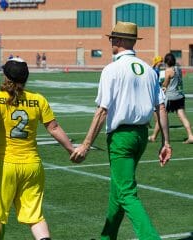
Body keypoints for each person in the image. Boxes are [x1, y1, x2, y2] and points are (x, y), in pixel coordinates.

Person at [70, 21, 172, 240]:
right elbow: (161, 107)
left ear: (119, 40)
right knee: (118, 192)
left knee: (126, 193)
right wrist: (166, 143)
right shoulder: (149, 69)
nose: (110, 42)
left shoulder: (112, 69)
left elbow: (102, 110)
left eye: (112, 38)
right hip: (141, 136)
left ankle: (152, 238)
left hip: (121, 138)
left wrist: (86, 145)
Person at [0, 57, 74, 240]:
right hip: (32, 167)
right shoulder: (38, 99)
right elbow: (54, 128)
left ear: (5, 76)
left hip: (4, 165)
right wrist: (71, 150)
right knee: (35, 217)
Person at [161, 53, 193, 144]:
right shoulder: (178, 69)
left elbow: (165, 84)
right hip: (180, 95)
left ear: (166, 62)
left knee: (163, 116)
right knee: (182, 116)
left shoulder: (168, 70)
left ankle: (161, 138)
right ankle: (190, 135)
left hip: (171, 97)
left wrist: (161, 84)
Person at [148, 55, 164, 142]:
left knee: (158, 119)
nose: (162, 62)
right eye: (161, 61)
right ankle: (156, 136)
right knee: (158, 120)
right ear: (157, 62)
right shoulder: (155, 71)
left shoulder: (154, 70)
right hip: (155, 95)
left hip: (154, 95)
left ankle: (154, 136)